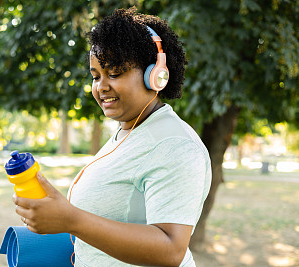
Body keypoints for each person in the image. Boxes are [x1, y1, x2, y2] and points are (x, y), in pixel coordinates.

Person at [14, 7, 211, 267]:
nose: (101, 86)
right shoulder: (129, 129)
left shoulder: (174, 145)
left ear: (156, 76)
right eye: (96, 76)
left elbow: (170, 249)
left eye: (114, 73)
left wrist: (70, 219)